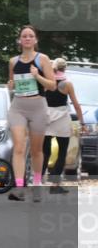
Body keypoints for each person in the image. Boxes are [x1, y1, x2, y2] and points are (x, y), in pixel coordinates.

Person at [6, 25, 57, 201]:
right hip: (18, 107)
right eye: (24, 36)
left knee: (36, 150)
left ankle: (36, 184)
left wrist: (37, 76)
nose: (27, 38)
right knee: (19, 147)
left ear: (35, 40)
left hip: (38, 107)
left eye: (30, 36)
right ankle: (19, 187)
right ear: (19, 40)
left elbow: (52, 85)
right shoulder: (13, 61)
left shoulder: (42, 59)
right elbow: (12, 83)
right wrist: (10, 86)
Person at [42, 57, 85, 193]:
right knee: (62, 152)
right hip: (62, 120)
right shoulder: (67, 84)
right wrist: (82, 122)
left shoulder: (46, 82)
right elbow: (76, 105)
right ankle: (54, 185)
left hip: (46, 119)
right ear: (65, 69)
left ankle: (38, 182)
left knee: (45, 152)